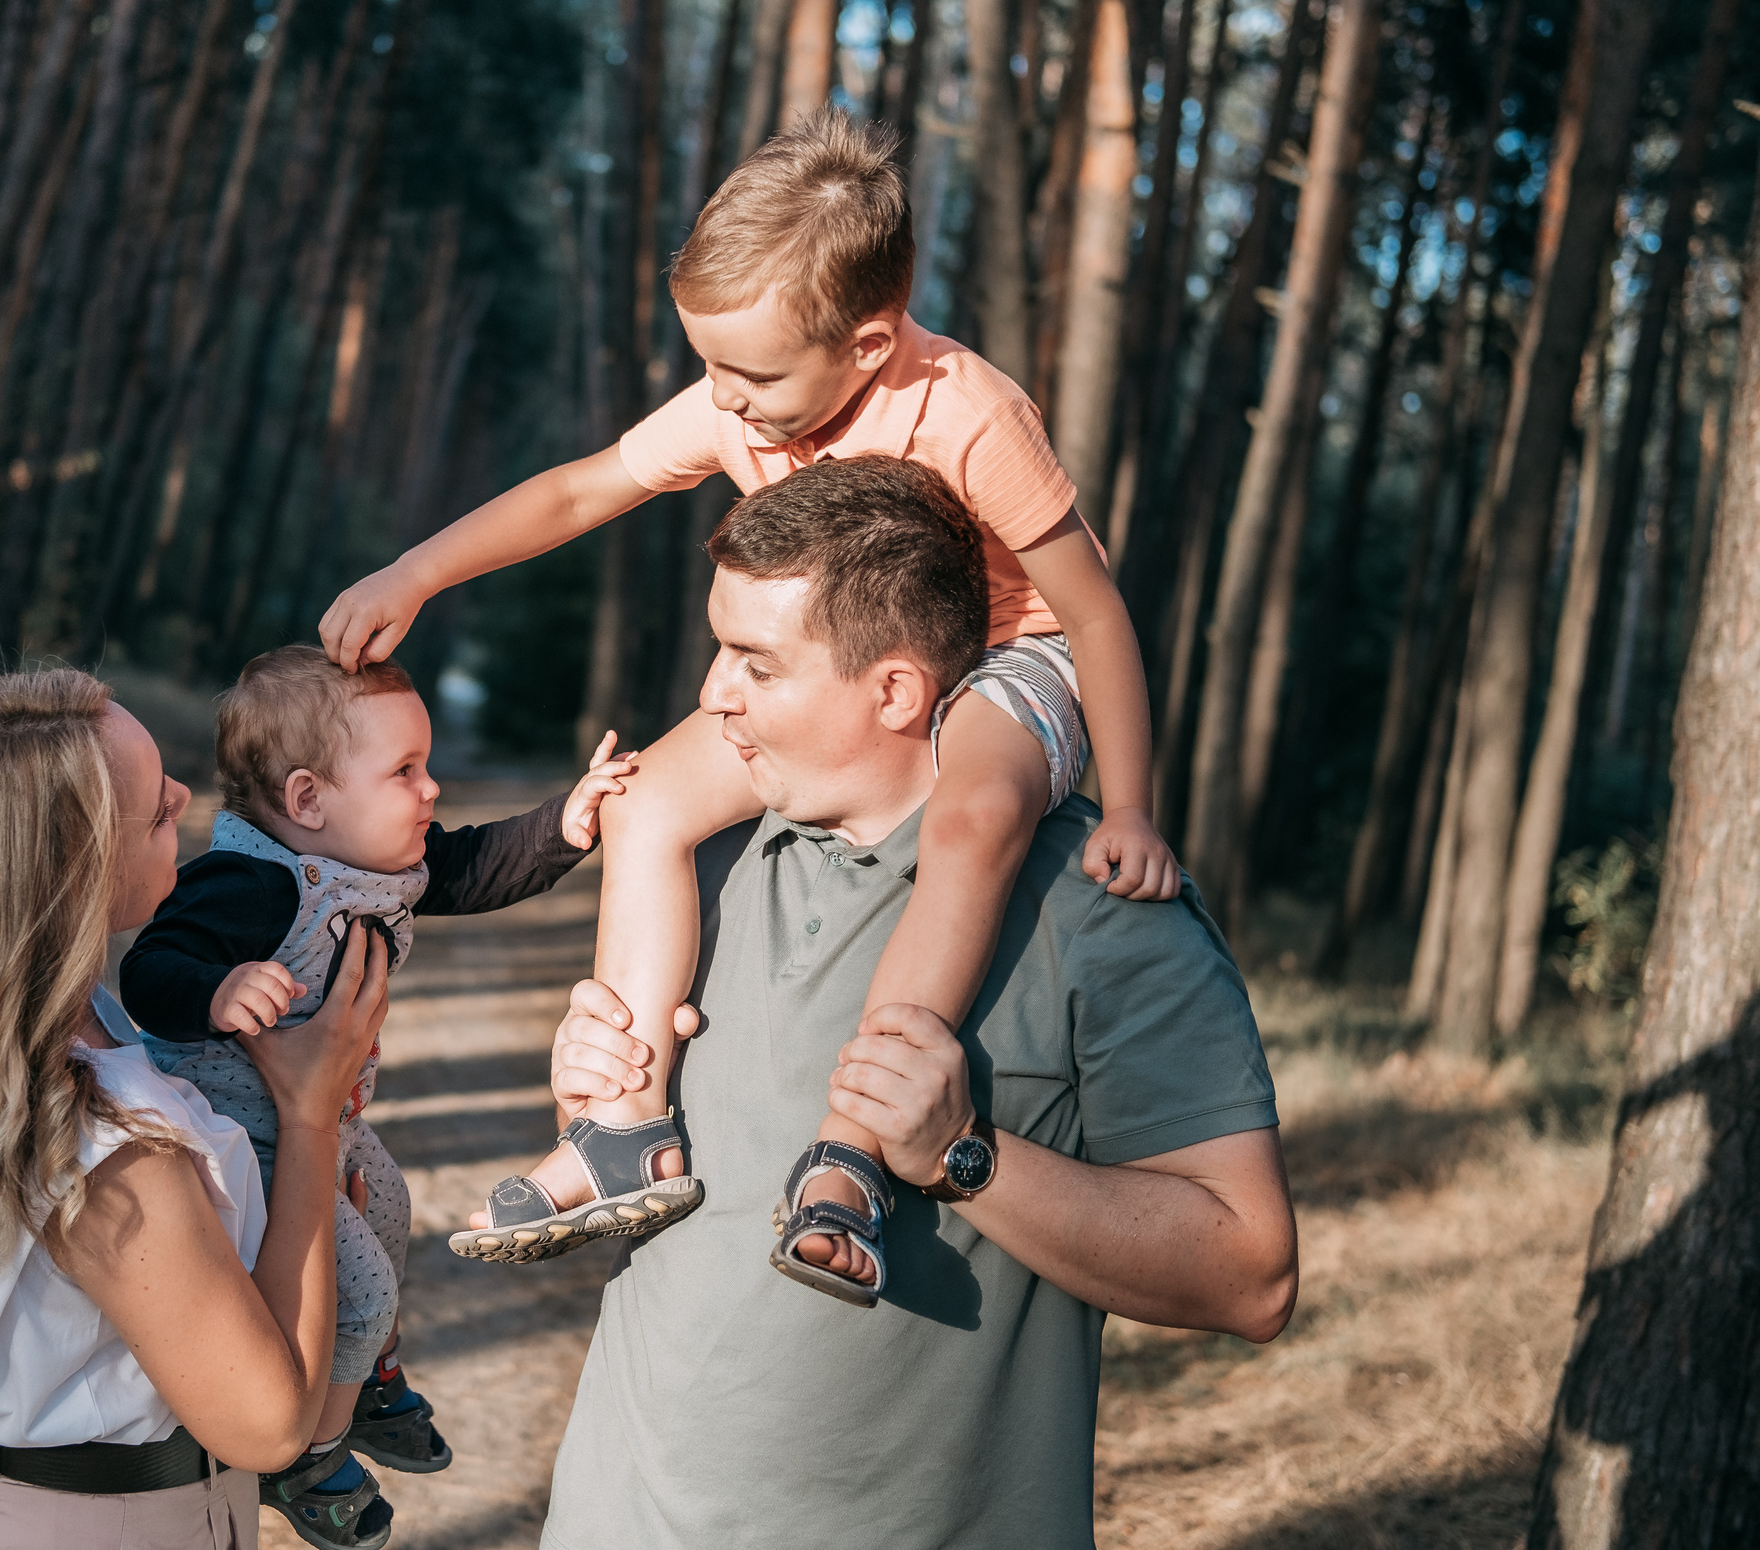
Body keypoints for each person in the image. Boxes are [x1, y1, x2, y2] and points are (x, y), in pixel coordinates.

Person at [323, 112, 1181, 1303]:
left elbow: (1089, 612)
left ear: (869, 344)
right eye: (710, 366)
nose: (725, 398)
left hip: (1003, 649)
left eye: (755, 375)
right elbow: (579, 490)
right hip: (832, 666)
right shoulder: (737, 403)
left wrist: (1130, 808)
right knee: (644, 803)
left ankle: (854, 1150)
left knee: (975, 813)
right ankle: (621, 1130)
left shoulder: (970, 414)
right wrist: (415, 574)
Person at [505, 458, 1298, 1548]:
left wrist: (965, 1158)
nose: (712, 693)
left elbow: (1252, 1275)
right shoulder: (698, 865)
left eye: (756, 664)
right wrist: (594, 1083)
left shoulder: (1102, 910)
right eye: (719, 649)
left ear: (894, 691)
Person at [0, 669, 388, 1550]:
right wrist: (309, 1117)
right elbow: (268, 1427)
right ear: (70, 882)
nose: (183, 795)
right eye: (153, 812)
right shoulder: (107, 1148)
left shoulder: (20, 1034)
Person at [118, 645, 634, 1544]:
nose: (431, 789)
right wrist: (217, 988)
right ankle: (304, 1456)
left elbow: (475, 865)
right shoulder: (246, 882)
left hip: (327, 1121)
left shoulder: (371, 859)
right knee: (358, 1290)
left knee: (390, 1204)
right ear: (308, 798)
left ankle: (363, 1382)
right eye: (405, 771)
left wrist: (566, 822)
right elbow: (152, 968)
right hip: (243, 1137)